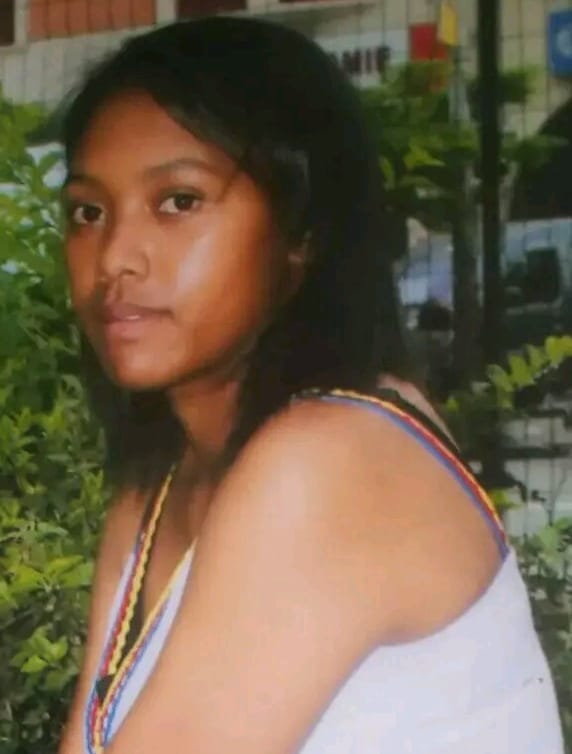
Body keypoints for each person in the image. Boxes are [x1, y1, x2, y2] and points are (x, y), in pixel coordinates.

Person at [57, 17, 563, 754]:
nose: (114, 259)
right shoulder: (157, 488)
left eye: (179, 202)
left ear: (303, 231)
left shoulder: (332, 459)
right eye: (88, 212)